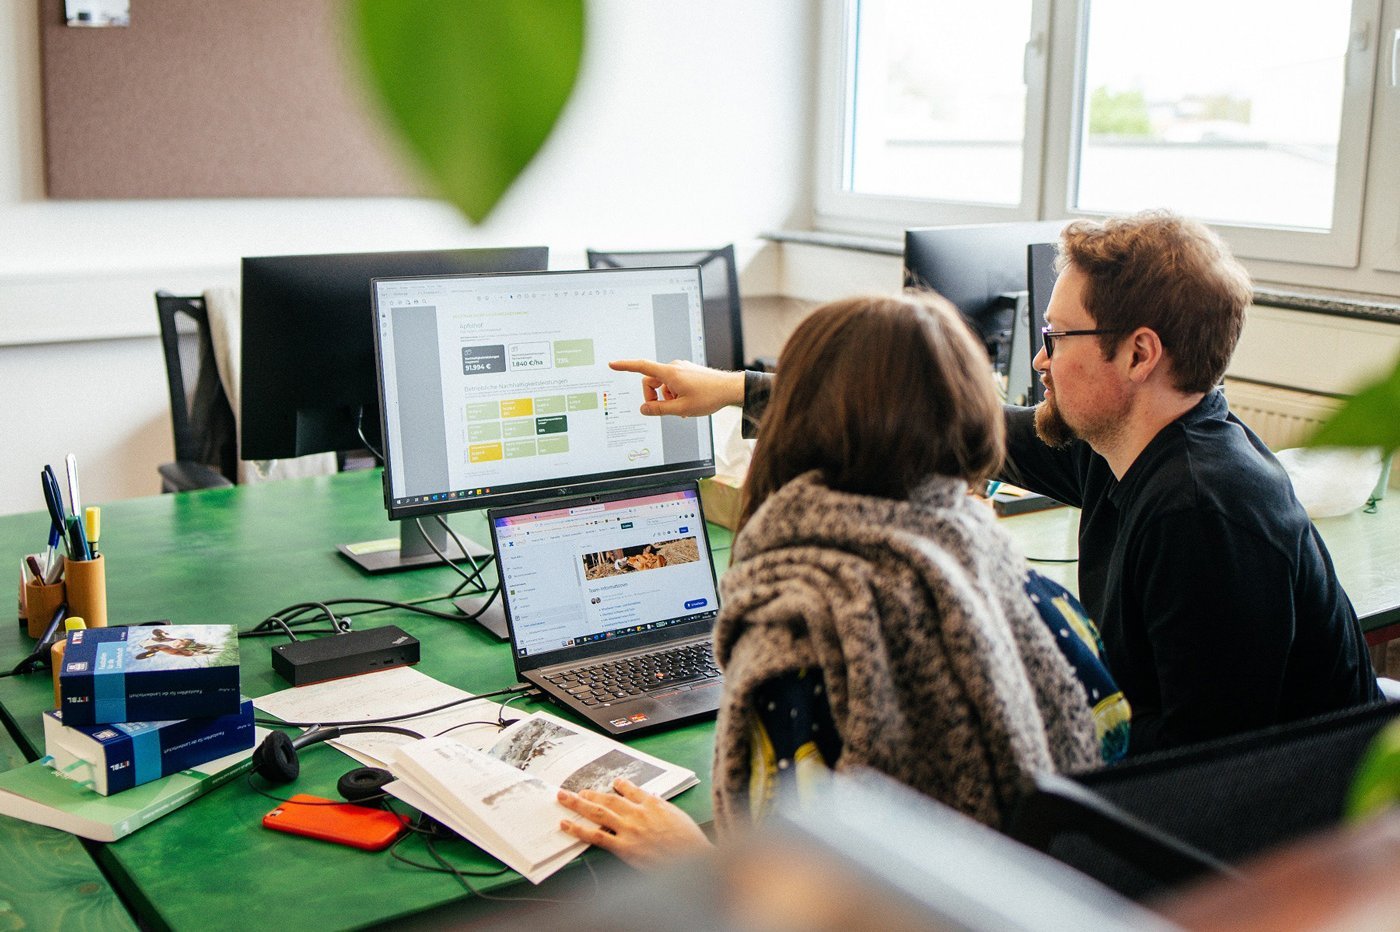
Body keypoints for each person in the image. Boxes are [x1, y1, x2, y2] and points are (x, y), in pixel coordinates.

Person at [613, 210, 1380, 756]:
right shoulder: (1135, 445)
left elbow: (1196, 782)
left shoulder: (1204, 515)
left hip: (1269, 842)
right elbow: (944, 417)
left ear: (1140, 354)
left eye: (1055, 337)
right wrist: (729, 387)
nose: (1039, 360)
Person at [557, 293, 1100, 867]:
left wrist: (692, 860)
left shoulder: (791, 654)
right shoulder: (1051, 609)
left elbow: (790, 907)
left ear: (792, 425)